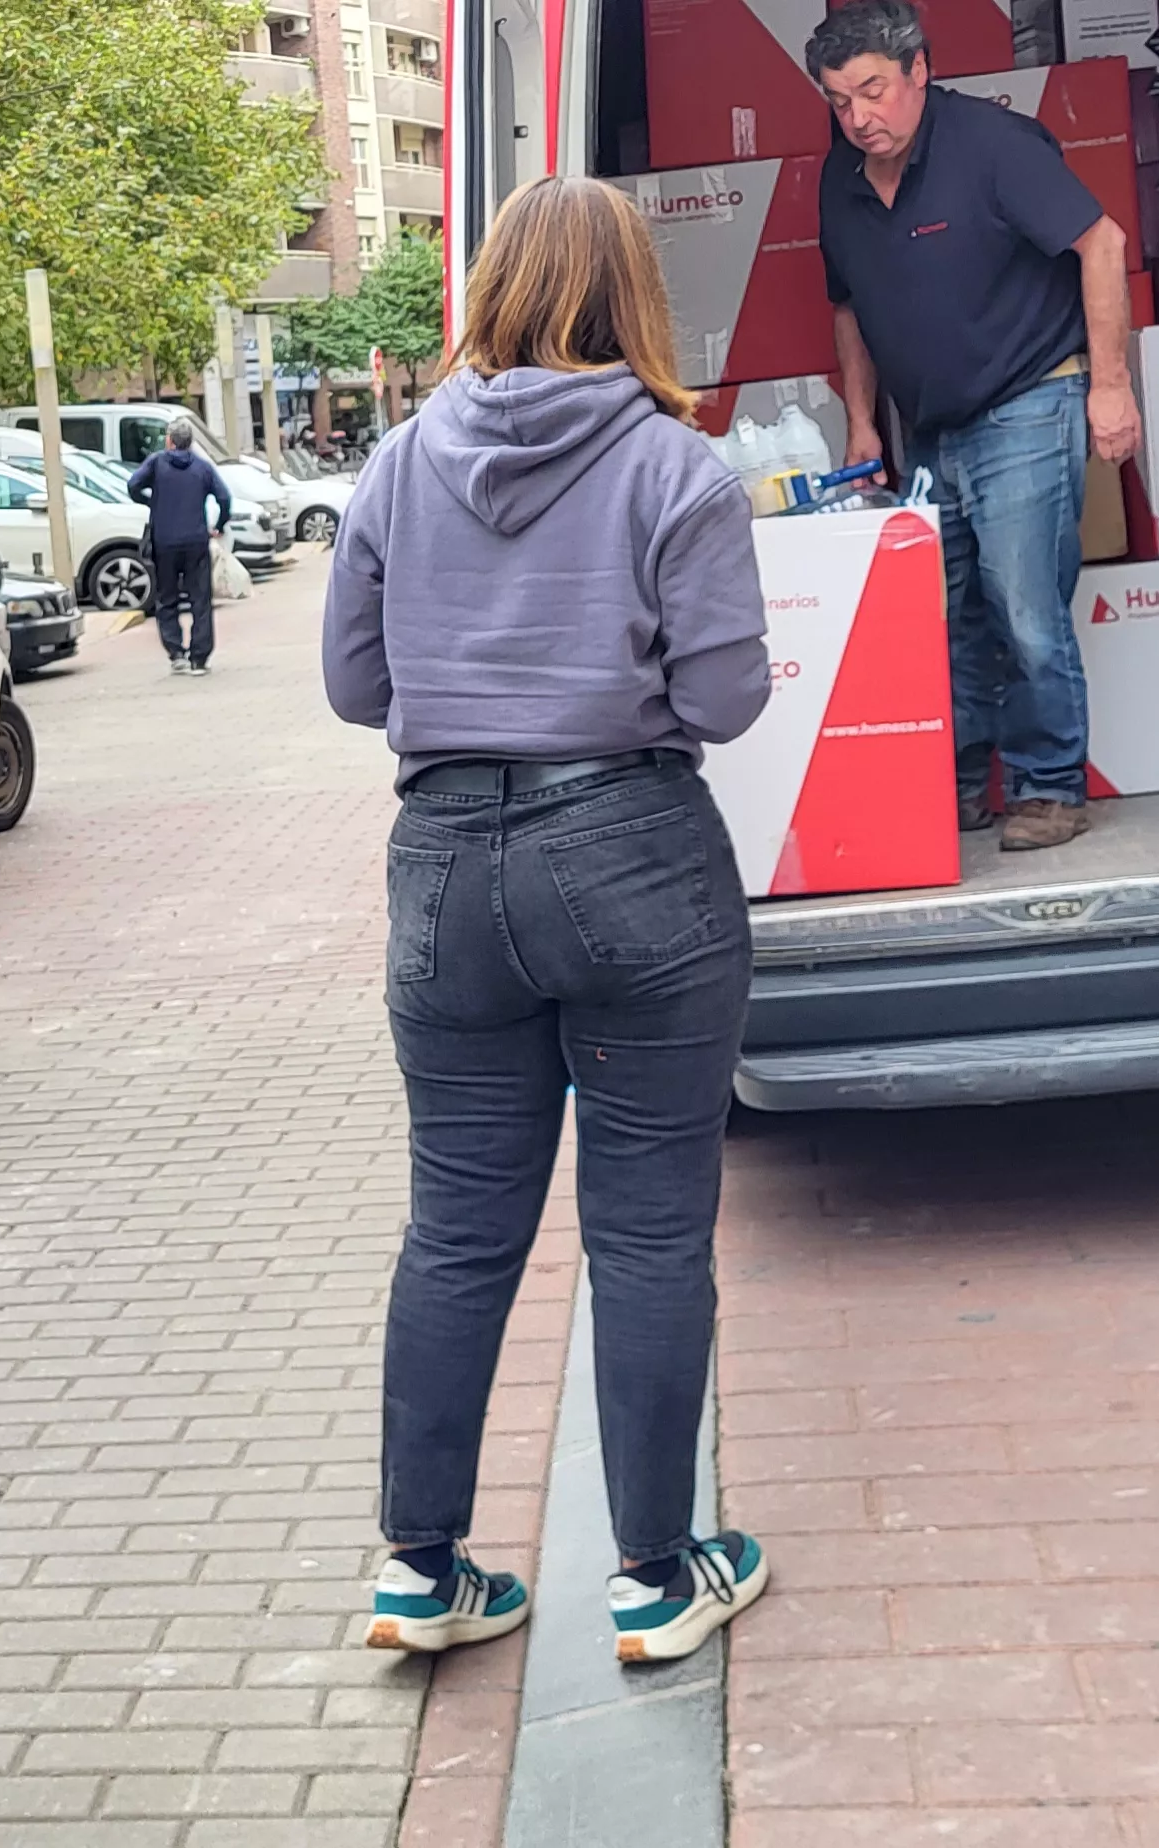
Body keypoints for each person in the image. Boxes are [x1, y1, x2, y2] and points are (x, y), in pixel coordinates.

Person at [324, 175, 775, 1665]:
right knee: (647, 1234)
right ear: (633, 297)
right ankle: (655, 1574)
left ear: (491, 290)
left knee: (455, 1233)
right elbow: (720, 700)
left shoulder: (395, 465)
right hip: (635, 850)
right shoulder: (678, 470)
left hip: (445, 868)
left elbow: (353, 689)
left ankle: (420, 1570)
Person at [808, 0, 1141, 851]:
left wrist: (1111, 388)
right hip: (927, 431)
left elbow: (1100, 243)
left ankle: (1048, 788)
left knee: (1025, 609)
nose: (859, 118)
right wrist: (861, 422)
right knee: (944, 619)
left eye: (874, 91)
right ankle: (954, 788)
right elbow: (848, 307)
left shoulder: (994, 147)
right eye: (840, 101)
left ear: (919, 70)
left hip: (1028, 403)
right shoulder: (837, 181)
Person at [128, 422, 237, 675]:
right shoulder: (202, 467)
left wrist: (151, 502)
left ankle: (176, 653)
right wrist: (218, 525)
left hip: (164, 541)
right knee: (200, 599)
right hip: (196, 540)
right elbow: (224, 498)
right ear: (190, 442)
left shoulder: (156, 464)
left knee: (167, 599)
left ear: (169, 441)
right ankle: (199, 657)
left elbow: (133, 485)